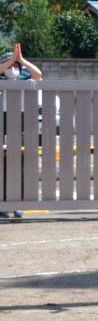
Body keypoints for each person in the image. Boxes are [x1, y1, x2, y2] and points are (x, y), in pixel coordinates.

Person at [1, 43, 42, 219]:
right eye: (8, 65)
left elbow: (38, 75)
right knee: (2, 166)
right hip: (2, 121)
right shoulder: (1, 78)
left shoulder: (24, 78)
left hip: (20, 121)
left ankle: (17, 203)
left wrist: (22, 60)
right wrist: (10, 60)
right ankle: (2, 203)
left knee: (19, 165)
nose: (11, 68)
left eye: (14, 65)